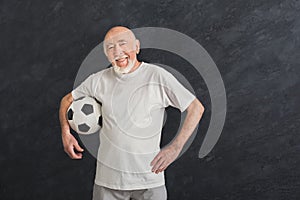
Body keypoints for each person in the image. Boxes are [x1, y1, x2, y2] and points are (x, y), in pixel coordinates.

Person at [59, 26, 205, 200]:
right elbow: (66, 100)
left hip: (149, 180)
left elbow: (196, 108)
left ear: (136, 46)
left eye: (123, 44)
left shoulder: (156, 76)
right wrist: (66, 133)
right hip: (108, 182)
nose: (118, 52)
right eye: (110, 47)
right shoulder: (98, 80)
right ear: (106, 54)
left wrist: (175, 147)